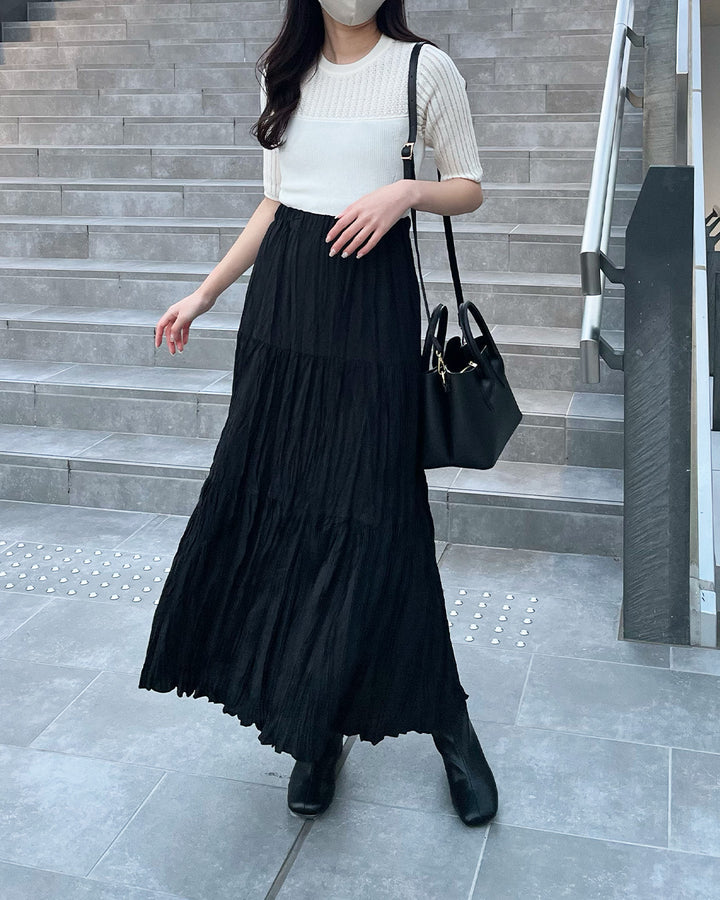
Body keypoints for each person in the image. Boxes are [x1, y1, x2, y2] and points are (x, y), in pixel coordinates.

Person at [137, 0, 498, 828]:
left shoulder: (423, 69)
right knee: (289, 508)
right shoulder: (284, 72)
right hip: (283, 317)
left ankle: (451, 726)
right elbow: (273, 205)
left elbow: (471, 188)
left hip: (370, 314)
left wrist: (406, 192)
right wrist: (204, 294)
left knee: (382, 517)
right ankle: (314, 724)